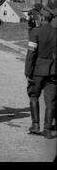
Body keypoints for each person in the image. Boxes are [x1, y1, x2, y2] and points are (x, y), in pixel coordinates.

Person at [25, 8, 56, 139]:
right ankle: (48, 130)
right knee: (51, 101)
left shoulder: (35, 32)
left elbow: (31, 53)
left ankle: (36, 125)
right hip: (54, 71)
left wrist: (28, 71)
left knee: (33, 96)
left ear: (42, 18)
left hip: (37, 70)